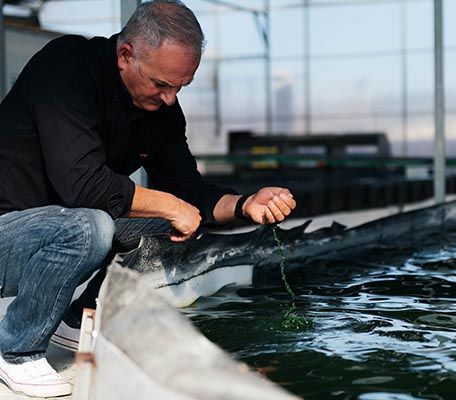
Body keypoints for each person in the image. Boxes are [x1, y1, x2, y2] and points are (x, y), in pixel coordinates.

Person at [0, 0, 296, 397]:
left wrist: (245, 204)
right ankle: (16, 348)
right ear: (126, 55)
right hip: (8, 231)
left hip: (56, 228)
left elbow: (190, 194)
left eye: (180, 87)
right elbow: (84, 186)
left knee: (168, 226)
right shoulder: (65, 69)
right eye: (162, 84)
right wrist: (173, 205)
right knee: (92, 226)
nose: (171, 98)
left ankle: (78, 319)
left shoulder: (160, 111)